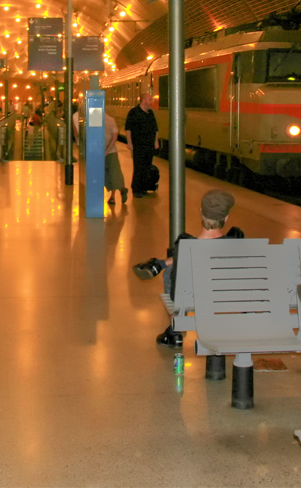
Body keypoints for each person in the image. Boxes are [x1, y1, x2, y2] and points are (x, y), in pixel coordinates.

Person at [131, 188, 245, 346]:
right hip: (231, 300)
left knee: (174, 271)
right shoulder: (238, 244)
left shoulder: (185, 245)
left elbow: (190, 255)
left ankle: (176, 330)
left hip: (191, 297)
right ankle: (161, 263)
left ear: (200, 212)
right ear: (226, 218)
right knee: (185, 260)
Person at [124, 92, 159, 198]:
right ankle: (136, 189)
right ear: (144, 100)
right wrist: (129, 143)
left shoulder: (150, 113)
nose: (152, 102)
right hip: (138, 145)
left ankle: (144, 188)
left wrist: (156, 142)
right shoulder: (134, 112)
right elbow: (128, 129)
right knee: (139, 167)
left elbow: (155, 129)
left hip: (149, 146)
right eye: (150, 100)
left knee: (147, 167)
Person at [104, 112, 126, 205]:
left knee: (111, 174)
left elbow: (114, 136)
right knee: (111, 173)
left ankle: (113, 196)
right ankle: (122, 189)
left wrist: (106, 151)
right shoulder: (110, 119)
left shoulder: (109, 120)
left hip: (108, 151)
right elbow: (115, 136)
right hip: (107, 151)